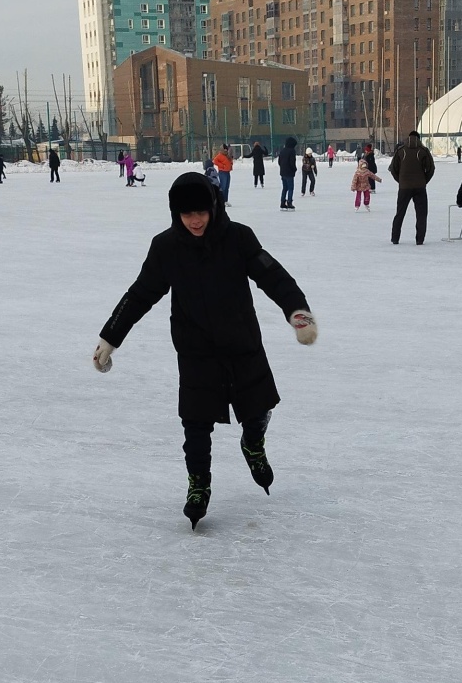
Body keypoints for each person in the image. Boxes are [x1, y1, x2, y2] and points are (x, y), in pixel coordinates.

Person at [92, 171, 316, 528]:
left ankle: (253, 444)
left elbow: (273, 276)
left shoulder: (238, 237)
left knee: (258, 411)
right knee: (195, 426)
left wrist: (297, 311)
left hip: (242, 343)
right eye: (186, 214)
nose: (195, 221)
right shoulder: (166, 247)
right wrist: (110, 337)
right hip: (195, 350)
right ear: (175, 214)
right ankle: (198, 485)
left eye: (201, 212)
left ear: (213, 207)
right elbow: (140, 294)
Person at [388, 128, 435, 244]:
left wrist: (401, 181)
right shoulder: (423, 151)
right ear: (419, 139)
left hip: (404, 187)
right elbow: (431, 169)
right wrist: (424, 180)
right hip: (420, 187)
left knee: (400, 213)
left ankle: (395, 238)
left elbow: (393, 169)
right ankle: (419, 240)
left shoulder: (400, 151)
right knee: (421, 214)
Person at [277, 135, 298, 209]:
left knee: (284, 188)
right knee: (290, 188)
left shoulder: (282, 151)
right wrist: (294, 169)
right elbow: (292, 162)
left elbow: (279, 161)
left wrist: (282, 167)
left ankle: (282, 202)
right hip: (289, 173)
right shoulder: (292, 151)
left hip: (283, 172)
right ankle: (289, 202)